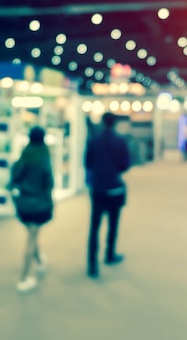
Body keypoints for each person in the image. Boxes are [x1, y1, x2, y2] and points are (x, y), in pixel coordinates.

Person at [85, 112, 131, 278]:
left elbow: (87, 162)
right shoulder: (119, 141)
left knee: (94, 226)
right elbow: (125, 164)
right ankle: (110, 254)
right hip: (114, 188)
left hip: (97, 187)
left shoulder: (93, 141)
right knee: (113, 224)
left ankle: (92, 264)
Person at [9, 126, 54, 293]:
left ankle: (40, 262)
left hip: (23, 203)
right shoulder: (44, 157)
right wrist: (50, 203)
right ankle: (23, 278)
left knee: (32, 235)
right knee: (31, 239)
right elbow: (48, 183)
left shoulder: (24, 155)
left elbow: (13, 178)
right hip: (39, 204)